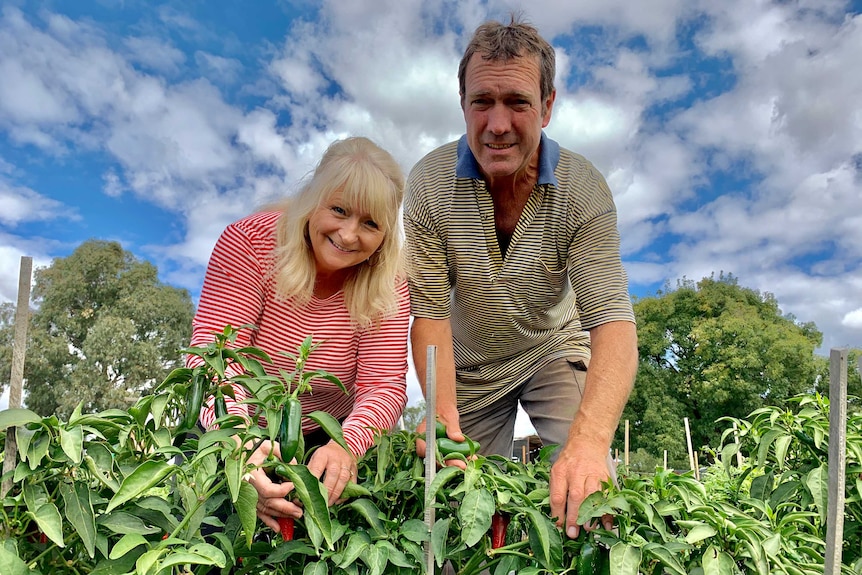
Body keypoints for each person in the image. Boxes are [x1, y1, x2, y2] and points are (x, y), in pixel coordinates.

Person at [404, 16, 638, 540]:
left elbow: (614, 326)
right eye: (482, 101)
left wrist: (590, 440)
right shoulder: (429, 184)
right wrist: (441, 418)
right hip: (470, 363)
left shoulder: (582, 189)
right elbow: (429, 313)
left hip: (551, 349)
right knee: (457, 511)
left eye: (518, 101)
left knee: (591, 498)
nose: (498, 123)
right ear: (462, 104)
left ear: (548, 106)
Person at [189, 136, 410, 535]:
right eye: (339, 210)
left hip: (328, 437)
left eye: (370, 223)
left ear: (386, 235)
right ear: (313, 200)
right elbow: (216, 357)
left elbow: (384, 385)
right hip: (232, 422)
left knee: (318, 548)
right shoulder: (251, 243)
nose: (347, 234)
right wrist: (238, 445)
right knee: (210, 535)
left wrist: (347, 445)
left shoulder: (389, 281)